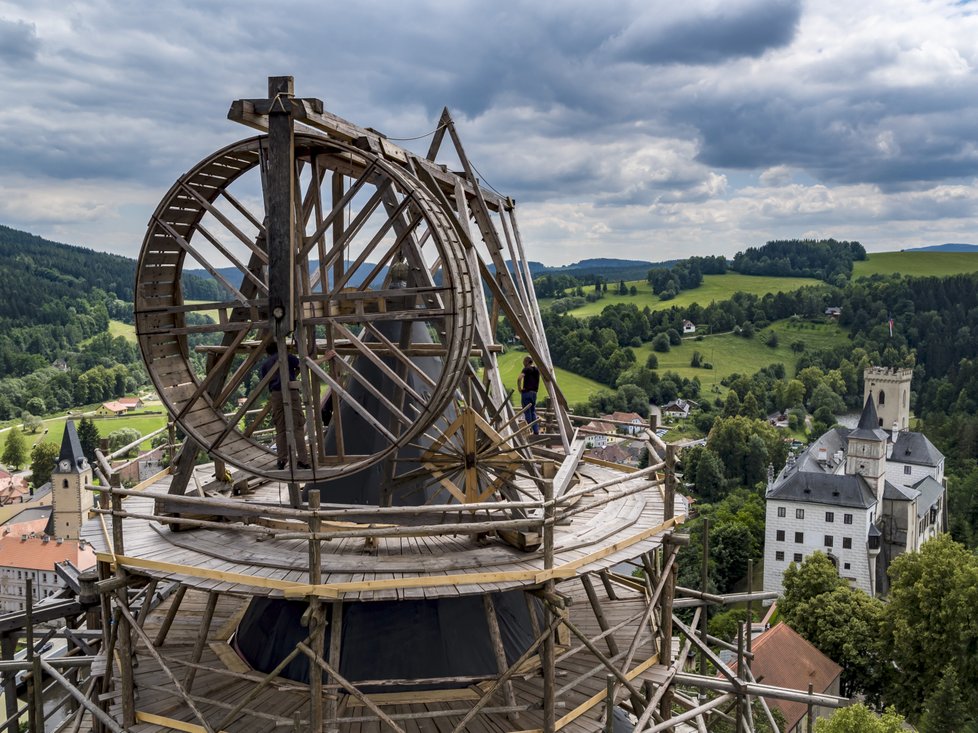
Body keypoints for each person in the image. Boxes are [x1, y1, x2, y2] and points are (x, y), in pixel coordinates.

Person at [260, 341, 310, 470]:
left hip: (276, 395)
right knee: (297, 427)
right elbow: (302, 365)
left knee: (280, 429)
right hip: (291, 391)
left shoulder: (265, 364)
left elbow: (265, 381)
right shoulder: (286, 356)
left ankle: (282, 460)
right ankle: (303, 460)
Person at [517, 356, 541, 436]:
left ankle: (529, 430)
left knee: (527, 411)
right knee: (533, 411)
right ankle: (536, 431)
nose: (523, 363)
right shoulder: (537, 370)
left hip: (526, 392)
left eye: (524, 361)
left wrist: (519, 388)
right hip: (534, 393)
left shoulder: (526, 369)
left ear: (527, 362)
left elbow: (519, 378)